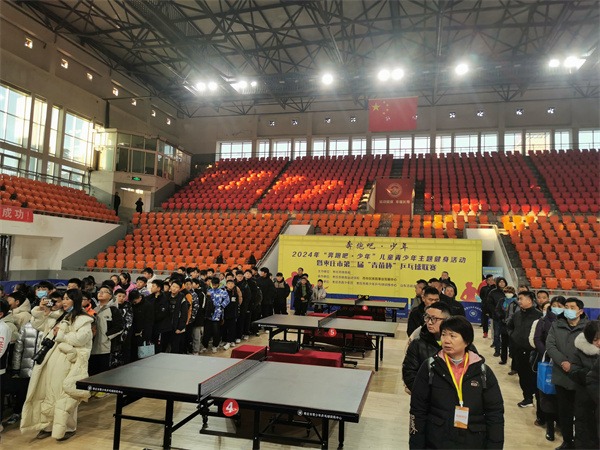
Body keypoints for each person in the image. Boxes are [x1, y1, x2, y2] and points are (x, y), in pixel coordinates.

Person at [409, 316, 504, 449]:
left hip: (473, 442)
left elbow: (495, 414)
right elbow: (418, 410)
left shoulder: (482, 372)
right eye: (443, 334)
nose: (446, 340)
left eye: (453, 336)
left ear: (467, 341)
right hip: (437, 441)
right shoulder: (430, 367)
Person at [20, 289, 94, 441]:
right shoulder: (60, 315)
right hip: (50, 360)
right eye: (63, 299)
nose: (64, 302)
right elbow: (38, 325)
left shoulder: (84, 319)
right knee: (48, 392)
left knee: (66, 394)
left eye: (67, 299)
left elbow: (81, 339)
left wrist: (60, 334)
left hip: (68, 361)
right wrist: (42, 310)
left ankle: (68, 427)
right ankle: (47, 425)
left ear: (75, 300)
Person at [546, 297, 590, 450]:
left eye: (572, 307)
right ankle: (567, 441)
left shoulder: (588, 328)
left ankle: (580, 442)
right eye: (566, 307)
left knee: (582, 414)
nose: (568, 310)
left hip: (581, 378)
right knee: (564, 412)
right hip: (561, 375)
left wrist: (575, 366)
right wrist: (563, 362)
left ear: (580, 311)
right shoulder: (556, 325)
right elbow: (550, 345)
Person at [533, 296, 566, 440]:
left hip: (564, 364)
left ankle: (562, 424)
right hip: (547, 361)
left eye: (560, 305)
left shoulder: (568, 321)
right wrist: (548, 353)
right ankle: (550, 427)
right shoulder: (543, 320)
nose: (557, 308)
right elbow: (537, 339)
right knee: (547, 395)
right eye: (555, 305)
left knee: (562, 396)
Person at [402, 302, 452, 393]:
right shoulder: (417, 343)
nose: (429, 322)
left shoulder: (460, 344)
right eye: (427, 318)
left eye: (434, 319)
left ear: (447, 320)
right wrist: (426, 394)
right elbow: (409, 373)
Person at [7, 310, 44, 426]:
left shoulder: (48, 326)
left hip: (41, 368)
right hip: (25, 367)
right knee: (22, 392)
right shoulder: (26, 326)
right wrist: (16, 368)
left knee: (39, 393)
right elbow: (18, 349)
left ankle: (36, 415)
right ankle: (17, 412)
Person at [508, 291, 542, 411]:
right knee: (522, 375)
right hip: (518, 350)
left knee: (532, 376)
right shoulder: (517, 314)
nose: (519, 301)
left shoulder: (539, 315)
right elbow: (510, 326)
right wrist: (513, 336)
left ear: (529, 300)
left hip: (532, 352)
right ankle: (527, 398)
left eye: (521, 298)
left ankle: (536, 398)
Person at [571, 320, 600, 449]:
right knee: (584, 433)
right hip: (585, 398)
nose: (598, 343)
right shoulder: (580, 351)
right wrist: (591, 374)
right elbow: (574, 372)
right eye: (595, 339)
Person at [89, 285, 124, 378]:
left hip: (105, 347)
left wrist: (107, 336)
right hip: (92, 346)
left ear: (110, 296)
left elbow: (120, 326)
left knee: (103, 373)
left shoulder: (113, 309)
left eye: (105, 292)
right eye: (99, 291)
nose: (101, 293)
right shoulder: (93, 310)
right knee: (92, 372)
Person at [202, 277, 230, 353]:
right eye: (213, 284)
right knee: (207, 331)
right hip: (209, 314)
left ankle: (215, 345)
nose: (214, 286)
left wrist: (221, 306)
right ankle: (205, 346)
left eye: (215, 284)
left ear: (218, 284)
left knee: (216, 331)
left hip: (217, 314)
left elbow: (227, 300)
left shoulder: (223, 291)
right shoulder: (209, 290)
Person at [164, 279, 189, 354]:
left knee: (175, 347)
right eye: (173, 286)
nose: (174, 288)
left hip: (176, 325)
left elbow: (184, 314)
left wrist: (180, 328)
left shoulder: (182, 298)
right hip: (166, 325)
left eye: (176, 287)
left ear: (180, 289)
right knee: (164, 345)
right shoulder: (165, 295)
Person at [130, 289, 154, 362]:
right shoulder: (131, 305)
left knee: (142, 354)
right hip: (133, 332)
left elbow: (149, 321)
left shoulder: (148, 305)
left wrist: (146, 334)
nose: (134, 303)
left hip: (143, 332)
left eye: (135, 302)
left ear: (140, 297)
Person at [222, 278, 242, 350]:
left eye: (232, 284)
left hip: (233, 314)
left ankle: (230, 341)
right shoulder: (223, 292)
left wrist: (236, 313)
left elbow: (237, 303)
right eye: (229, 284)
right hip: (225, 313)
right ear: (226, 285)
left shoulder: (235, 293)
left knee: (232, 328)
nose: (230, 285)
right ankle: (224, 340)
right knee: (224, 328)